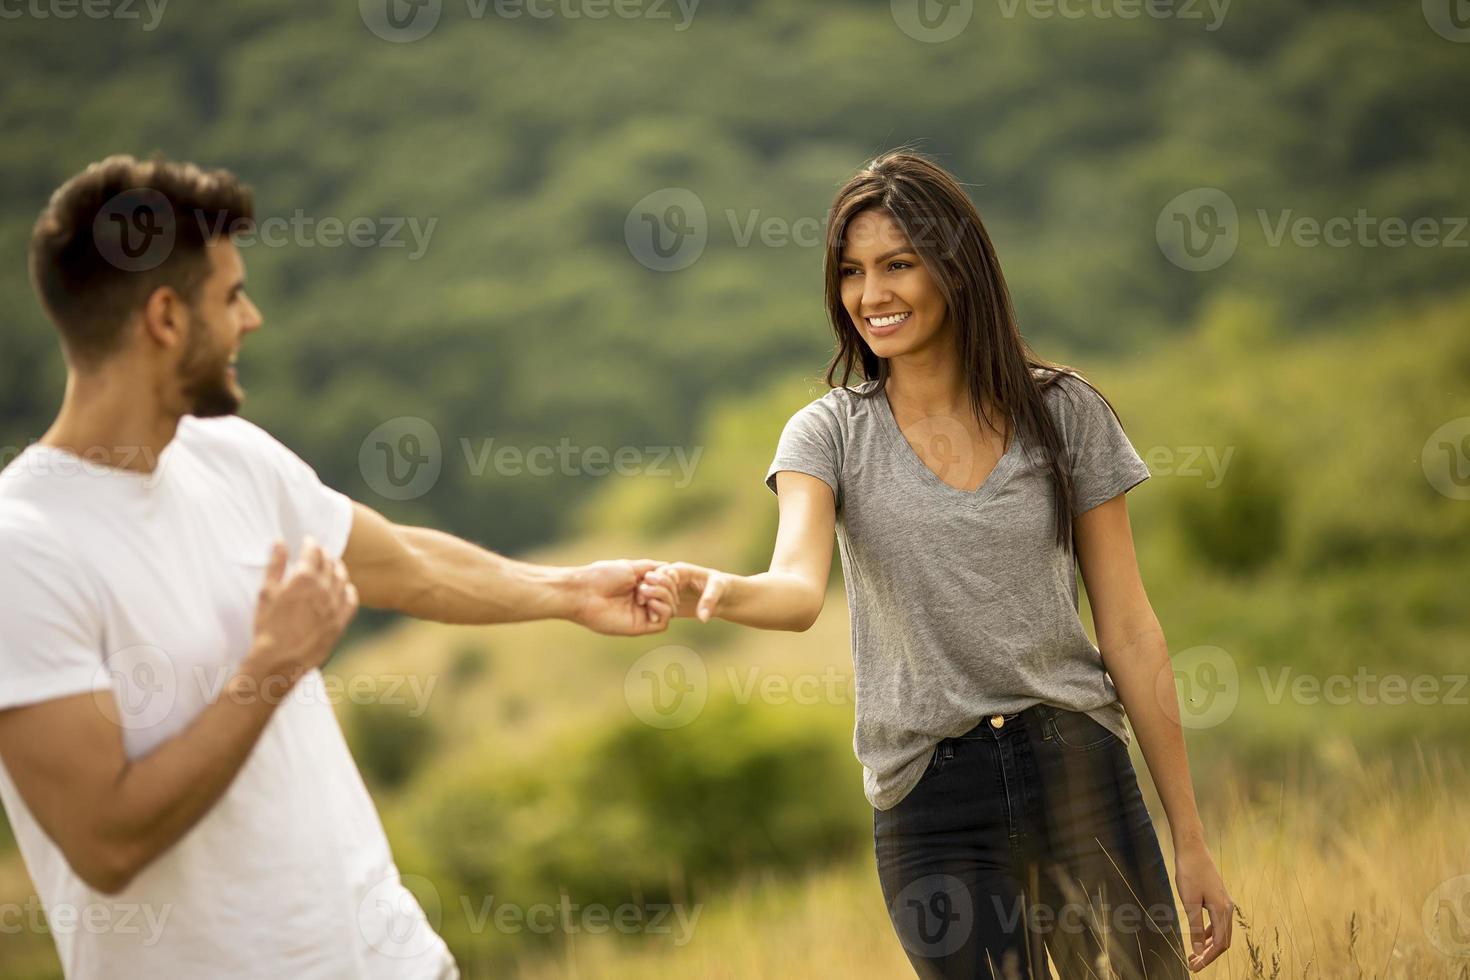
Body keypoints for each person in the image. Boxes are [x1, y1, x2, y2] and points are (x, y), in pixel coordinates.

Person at [0, 155, 676, 980]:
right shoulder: (24, 548)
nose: (251, 319)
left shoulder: (230, 455)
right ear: (168, 317)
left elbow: (403, 562)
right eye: (231, 295)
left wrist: (569, 591)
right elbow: (105, 842)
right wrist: (272, 666)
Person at [641, 151, 1233, 978]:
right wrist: (718, 589)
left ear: (955, 267)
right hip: (932, 807)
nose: (870, 296)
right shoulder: (828, 435)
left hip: (1078, 768)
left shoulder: (1066, 413)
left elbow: (1130, 628)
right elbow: (797, 588)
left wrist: (1192, 841)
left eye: (898, 265)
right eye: (851, 272)